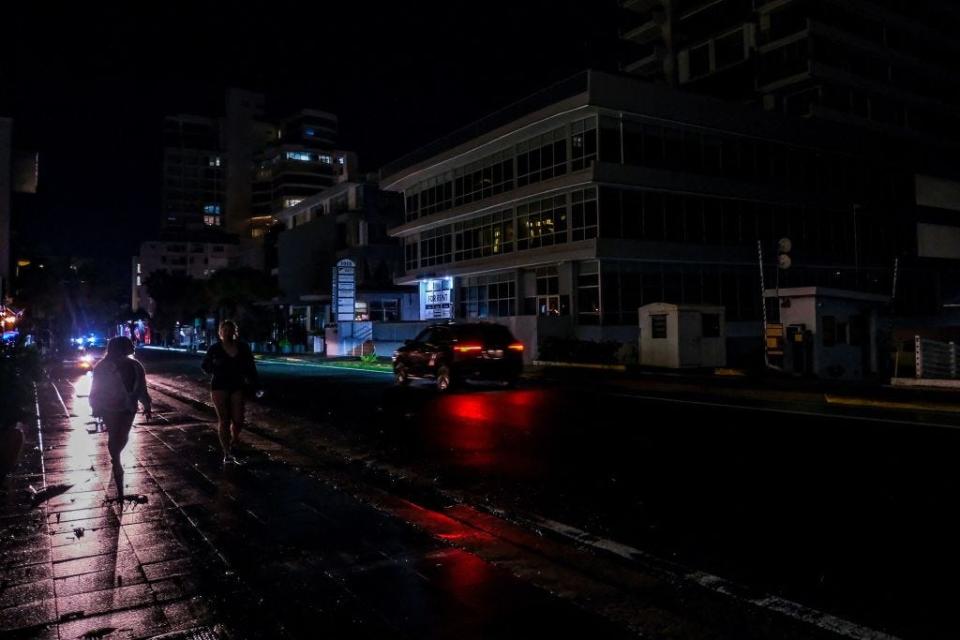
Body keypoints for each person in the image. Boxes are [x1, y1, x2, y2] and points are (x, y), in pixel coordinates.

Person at [89, 336, 151, 503]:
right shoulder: (102, 367)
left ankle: (115, 455)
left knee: (122, 435)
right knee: (115, 433)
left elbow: (142, 387)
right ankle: (116, 460)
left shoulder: (136, 366)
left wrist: (147, 404)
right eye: (129, 344)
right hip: (110, 406)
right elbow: (96, 388)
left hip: (128, 406)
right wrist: (95, 406)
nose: (133, 346)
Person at [201, 320, 259, 464]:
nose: (227, 332)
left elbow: (250, 366)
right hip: (219, 385)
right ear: (220, 332)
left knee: (238, 419)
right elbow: (205, 366)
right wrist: (214, 366)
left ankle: (235, 437)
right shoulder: (215, 348)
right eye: (224, 330)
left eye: (230, 329)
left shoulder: (243, 347)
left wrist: (255, 383)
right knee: (224, 420)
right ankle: (227, 452)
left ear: (234, 332)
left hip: (237, 384)